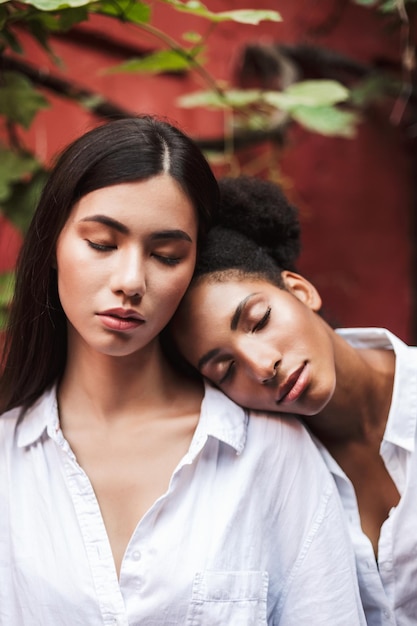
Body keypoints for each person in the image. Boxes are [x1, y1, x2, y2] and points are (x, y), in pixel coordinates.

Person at [0, 117, 366, 626]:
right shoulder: (8, 460)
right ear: (53, 247)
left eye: (166, 255)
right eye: (102, 244)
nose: (130, 281)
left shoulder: (266, 450)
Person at [170, 174, 417, 626]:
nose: (262, 367)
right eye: (224, 369)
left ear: (301, 291)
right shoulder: (264, 468)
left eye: (259, 320)